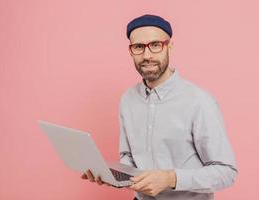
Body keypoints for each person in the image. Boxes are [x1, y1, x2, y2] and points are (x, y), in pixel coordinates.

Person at [82, 14, 238, 200]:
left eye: (155, 45)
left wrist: (169, 178)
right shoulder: (127, 99)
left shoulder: (200, 101)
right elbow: (128, 157)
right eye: (139, 47)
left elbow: (226, 172)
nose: (147, 56)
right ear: (130, 51)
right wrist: (115, 176)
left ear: (169, 46)